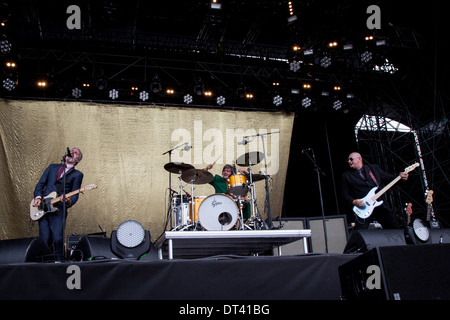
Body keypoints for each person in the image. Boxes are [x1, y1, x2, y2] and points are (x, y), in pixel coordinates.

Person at [33, 147, 84, 261]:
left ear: (78, 160)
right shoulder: (52, 167)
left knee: (57, 238)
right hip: (44, 207)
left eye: (75, 153)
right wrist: (37, 197)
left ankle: (59, 262)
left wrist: (68, 201)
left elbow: (75, 195)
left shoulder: (77, 175)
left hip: (59, 209)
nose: (72, 153)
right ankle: (43, 263)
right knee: (44, 239)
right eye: (71, 151)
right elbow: (40, 184)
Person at [341, 152, 408, 229]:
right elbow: (344, 194)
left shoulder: (373, 168)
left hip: (380, 205)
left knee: (394, 229)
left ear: (359, 159)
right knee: (360, 233)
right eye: (348, 160)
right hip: (363, 208)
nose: (349, 161)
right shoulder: (346, 176)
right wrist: (353, 201)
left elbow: (388, 178)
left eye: (351, 159)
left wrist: (400, 177)